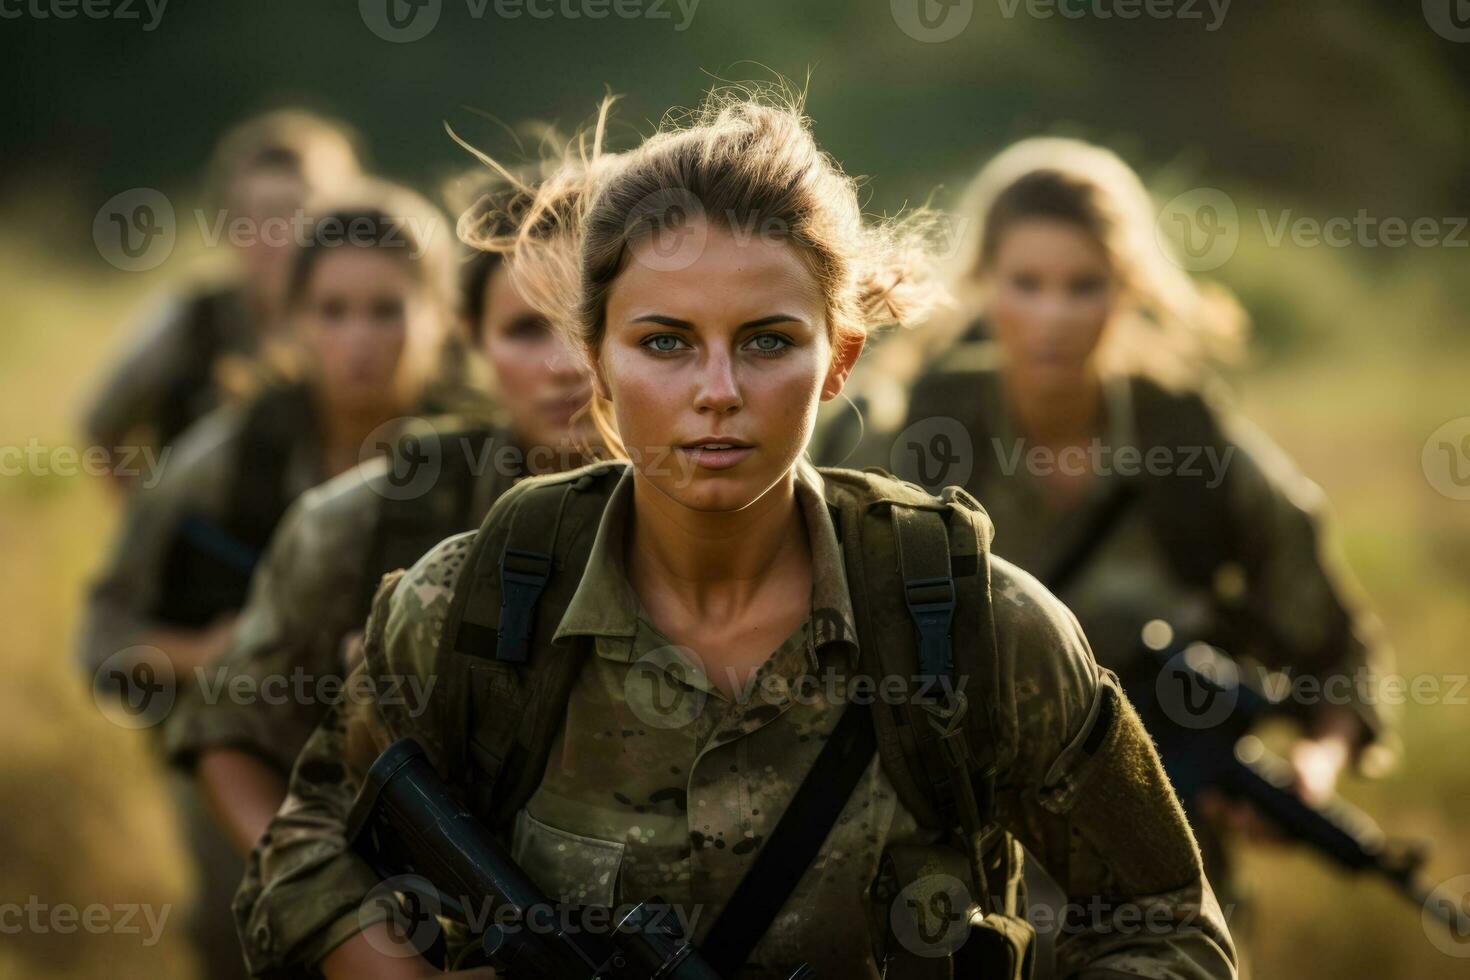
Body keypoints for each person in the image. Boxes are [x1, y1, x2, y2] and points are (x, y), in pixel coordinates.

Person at [234, 90, 1236, 980]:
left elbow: (1165, 919)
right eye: (664, 342)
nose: (717, 393)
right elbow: (308, 841)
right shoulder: (478, 606)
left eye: (768, 342)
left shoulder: (972, 620)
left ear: (838, 360)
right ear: (597, 363)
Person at [820, 137, 1396, 971]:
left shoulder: (1189, 444)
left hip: (1158, 876)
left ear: (1127, 289)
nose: (1053, 316)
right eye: (1026, 284)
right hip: (942, 873)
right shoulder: (908, 432)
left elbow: (1333, 647)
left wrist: (1312, 767)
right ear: (984, 284)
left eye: (1084, 286)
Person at [79, 177, 461, 980]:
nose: (360, 339)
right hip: (250, 758)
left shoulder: (481, 450)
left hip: (429, 778)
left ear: (442, 316)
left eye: (388, 309)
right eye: (332, 311)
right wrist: (204, 652)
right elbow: (104, 636)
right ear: (290, 322)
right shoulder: (228, 458)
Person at [163, 172, 607, 858]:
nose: (567, 364)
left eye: (594, 324)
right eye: (526, 328)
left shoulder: (751, 512)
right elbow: (227, 730)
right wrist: (335, 917)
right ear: (473, 337)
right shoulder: (366, 515)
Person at [80, 108, 362, 486]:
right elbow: (103, 425)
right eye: (256, 215)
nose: (277, 232)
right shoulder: (195, 316)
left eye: (298, 211)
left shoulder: (371, 314)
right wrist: (159, 515)